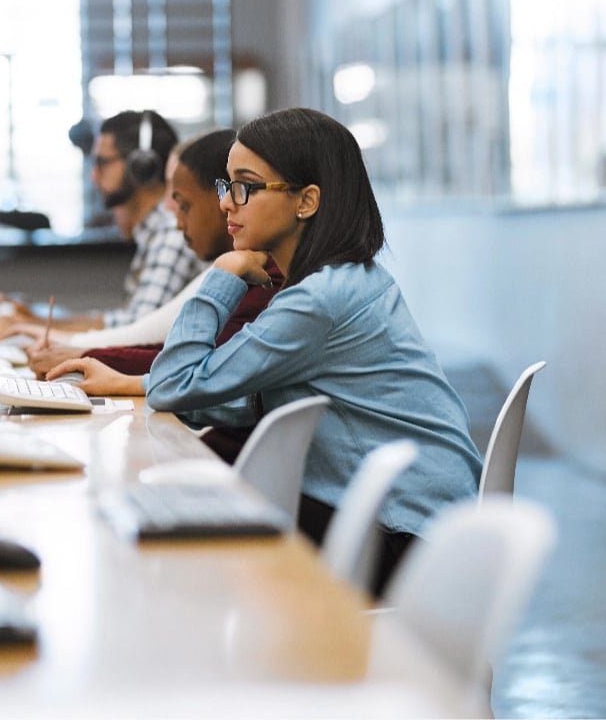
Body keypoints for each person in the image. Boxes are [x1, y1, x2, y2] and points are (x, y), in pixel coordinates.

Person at [126, 106, 482, 596]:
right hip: (425, 524)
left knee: (191, 553)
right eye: (226, 185)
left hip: (404, 538)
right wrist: (177, 392)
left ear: (307, 201)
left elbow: (172, 386)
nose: (228, 203)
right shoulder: (341, 280)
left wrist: (222, 278)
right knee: (197, 521)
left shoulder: (319, 301)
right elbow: (229, 394)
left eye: (245, 186)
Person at [28, 128, 282, 379]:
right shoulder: (248, 266)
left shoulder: (268, 276)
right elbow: (181, 356)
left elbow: (197, 370)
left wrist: (83, 355)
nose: (169, 208)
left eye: (244, 187)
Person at [0, 110, 206, 340]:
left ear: (141, 167)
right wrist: (34, 321)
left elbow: (135, 334)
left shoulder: (171, 234)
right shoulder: (155, 233)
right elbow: (123, 322)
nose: (93, 176)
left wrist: (28, 327)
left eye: (102, 162)